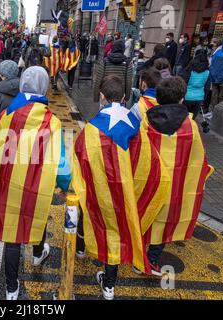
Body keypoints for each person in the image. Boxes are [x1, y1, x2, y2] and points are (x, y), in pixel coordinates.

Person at [72, 75, 169, 300]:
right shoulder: (136, 125)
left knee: (87, 213)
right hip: (124, 193)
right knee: (115, 234)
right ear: (124, 97)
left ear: (101, 97)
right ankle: (108, 286)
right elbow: (148, 162)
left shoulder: (93, 128)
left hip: (99, 191)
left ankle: (80, 248)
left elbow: (81, 156)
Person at [0, 66, 71, 300]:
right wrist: (64, 183)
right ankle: (38, 252)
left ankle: (11, 287)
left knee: (12, 235)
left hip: (9, 179)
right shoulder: (51, 120)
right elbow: (60, 160)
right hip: (36, 181)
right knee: (36, 215)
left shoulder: (7, 115)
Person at [132, 77, 213, 276]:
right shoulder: (191, 127)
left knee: (145, 218)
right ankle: (150, 260)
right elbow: (197, 160)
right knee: (164, 225)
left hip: (149, 187)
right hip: (175, 191)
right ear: (182, 99)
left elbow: (137, 155)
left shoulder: (146, 122)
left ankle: (137, 257)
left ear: (158, 98)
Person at [182, 49, 210, 119]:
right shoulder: (207, 72)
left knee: (182, 119)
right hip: (199, 98)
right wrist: (203, 98)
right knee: (191, 120)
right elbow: (207, 88)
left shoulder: (189, 69)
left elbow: (183, 83)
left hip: (187, 97)